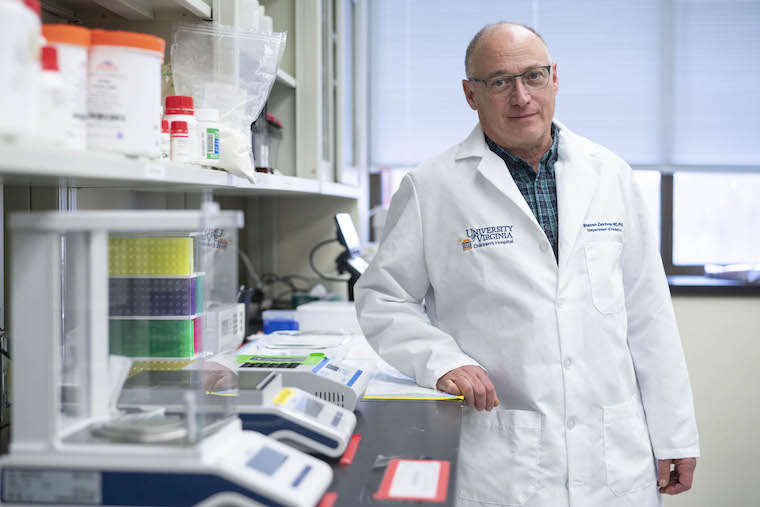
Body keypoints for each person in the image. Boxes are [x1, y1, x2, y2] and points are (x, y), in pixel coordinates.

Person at [355, 22, 700, 507]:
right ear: (470, 94)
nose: (521, 96)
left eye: (533, 76)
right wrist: (442, 361)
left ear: (554, 77)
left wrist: (675, 433)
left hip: (613, 456)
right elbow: (384, 297)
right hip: (504, 459)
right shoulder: (432, 187)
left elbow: (649, 313)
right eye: (498, 81)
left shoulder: (610, 174)